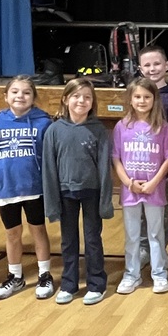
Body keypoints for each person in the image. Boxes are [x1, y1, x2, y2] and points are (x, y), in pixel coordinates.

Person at [42, 78, 114, 306]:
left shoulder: (98, 130)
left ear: (92, 102)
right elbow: (49, 169)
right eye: (76, 96)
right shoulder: (54, 131)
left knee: (93, 239)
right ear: (66, 99)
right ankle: (69, 284)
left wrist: (105, 201)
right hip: (65, 193)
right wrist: (52, 203)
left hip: (91, 191)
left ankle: (96, 283)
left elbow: (104, 168)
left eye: (87, 97)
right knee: (68, 241)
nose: (81, 101)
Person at [0, 75, 55, 300]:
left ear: (34, 97)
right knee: (12, 233)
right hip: (7, 188)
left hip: (34, 187)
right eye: (15, 92)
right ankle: (15, 276)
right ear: (6, 96)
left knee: (38, 230)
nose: (20, 96)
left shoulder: (43, 122)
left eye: (26, 92)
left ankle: (45, 274)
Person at [113, 78, 168, 296]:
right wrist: (129, 183)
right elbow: (116, 159)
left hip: (154, 190)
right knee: (132, 236)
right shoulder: (122, 126)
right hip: (130, 191)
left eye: (147, 97)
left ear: (154, 99)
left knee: (155, 234)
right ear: (130, 99)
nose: (142, 101)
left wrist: (153, 182)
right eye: (137, 96)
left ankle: (159, 273)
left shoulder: (162, 126)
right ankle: (132, 274)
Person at [138, 44, 168, 126]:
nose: (152, 69)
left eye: (157, 64)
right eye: (147, 65)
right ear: (141, 69)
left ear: (166, 65)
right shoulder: (137, 95)